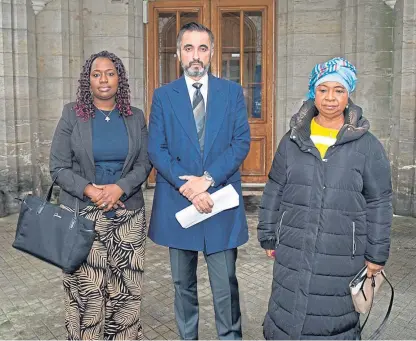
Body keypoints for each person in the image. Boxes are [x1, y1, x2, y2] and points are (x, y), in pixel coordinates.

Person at [257, 57, 393, 340]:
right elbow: (275, 187)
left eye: (339, 90)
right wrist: (268, 233)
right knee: (287, 310)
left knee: (332, 320)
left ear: (348, 94)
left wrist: (376, 255)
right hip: (293, 247)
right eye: (323, 90)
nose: (330, 98)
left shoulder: (367, 145)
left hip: (343, 253)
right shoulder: (293, 139)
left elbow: (379, 201)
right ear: (313, 92)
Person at [147, 22, 250, 340]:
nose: (195, 55)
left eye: (202, 48)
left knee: (225, 286)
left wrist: (206, 180)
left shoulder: (232, 93)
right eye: (188, 48)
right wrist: (188, 187)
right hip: (180, 203)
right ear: (179, 53)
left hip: (220, 200)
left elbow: (241, 142)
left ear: (212, 52)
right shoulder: (163, 96)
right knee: (182, 285)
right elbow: (157, 149)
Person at [49, 50, 152, 340]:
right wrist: (91, 190)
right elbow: (57, 166)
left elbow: (145, 163)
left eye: (110, 73)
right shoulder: (72, 114)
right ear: (88, 80)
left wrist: (120, 187)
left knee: (126, 289)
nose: (103, 80)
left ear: (120, 78)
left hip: (127, 214)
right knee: (88, 291)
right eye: (97, 74)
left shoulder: (135, 117)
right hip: (82, 215)